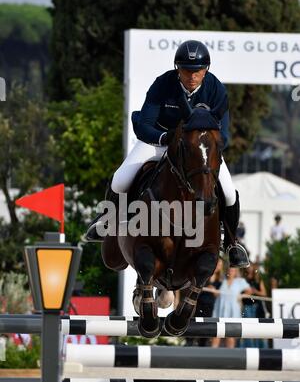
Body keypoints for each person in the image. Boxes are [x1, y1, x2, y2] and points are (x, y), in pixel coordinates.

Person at [85, 40, 249, 268]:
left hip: (196, 150)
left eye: (198, 71)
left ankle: (232, 244)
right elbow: (143, 125)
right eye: (186, 70)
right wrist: (165, 139)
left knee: (229, 192)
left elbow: (225, 134)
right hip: (159, 140)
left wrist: (206, 146)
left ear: (206, 70)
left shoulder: (216, 89)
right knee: (121, 179)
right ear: (177, 69)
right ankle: (107, 220)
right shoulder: (163, 84)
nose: (192, 76)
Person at [211, 267, 252, 348]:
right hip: (221, 310)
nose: (230, 271)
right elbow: (218, 295)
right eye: (229, 270)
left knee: (230, 335)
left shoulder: (240, 281)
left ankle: (230, 357)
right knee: (217, 334)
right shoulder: (223, 281)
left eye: (232, 270)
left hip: (233, 311)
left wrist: (242, 296)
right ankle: (213, 357)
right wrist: (213, 291)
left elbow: (249, 291)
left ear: (236, 271)